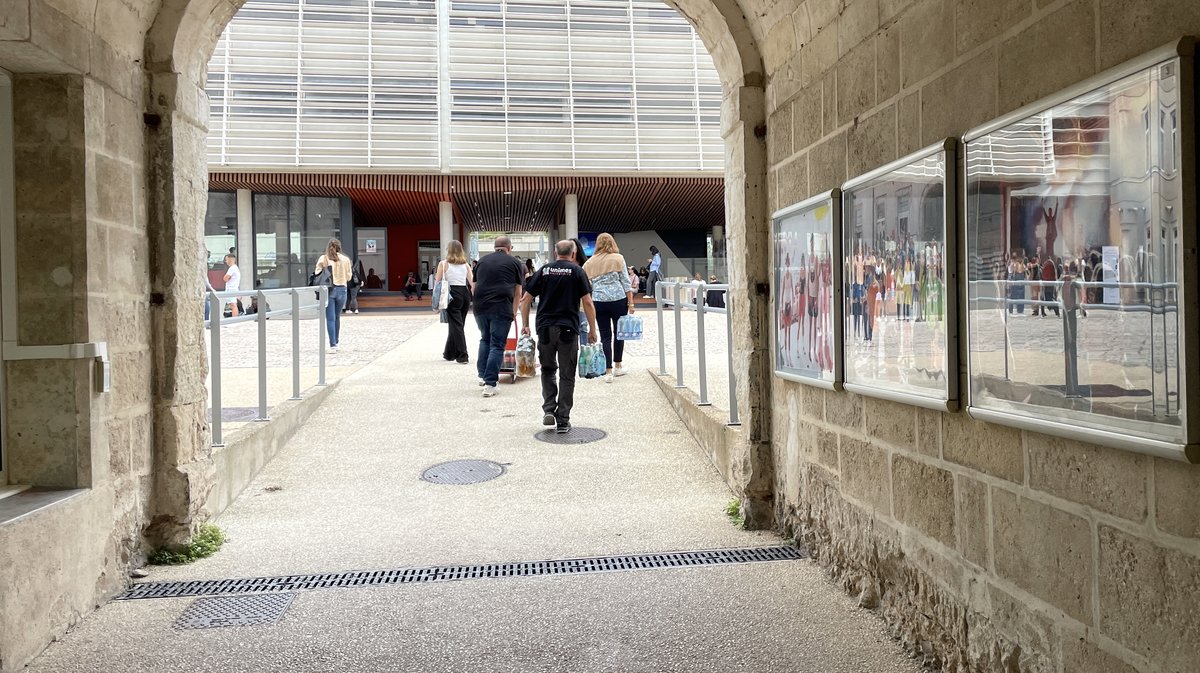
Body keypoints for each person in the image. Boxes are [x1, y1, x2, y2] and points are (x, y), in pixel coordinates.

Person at [520, 240, 599, 433]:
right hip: (568, 329)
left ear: (555, 253)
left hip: (545, 328)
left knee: (547, 370)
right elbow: (587, 303)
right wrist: (592, 329)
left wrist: (525, 326)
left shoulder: (545, 270)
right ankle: (563, 419)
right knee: (567, 373)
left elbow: (525, 300)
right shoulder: (577, 271)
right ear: (573, 254)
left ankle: (548, 409)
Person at [472, 235, 526, 396]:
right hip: (501, 307)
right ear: (509, 248)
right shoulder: (515, 263)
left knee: (485, 339)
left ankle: (483, 375)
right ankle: (490, 383)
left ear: (495, 247)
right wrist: (514, 312)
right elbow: (518, 292)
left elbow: (474, 288)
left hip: (480, 307)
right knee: (497, 344)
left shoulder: (482, 261)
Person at [582, 233, 634, 382]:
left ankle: (608, 371)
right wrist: (631, 303)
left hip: (599, 301)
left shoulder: (589, 263)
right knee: (619, 334)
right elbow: (625, 281)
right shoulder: (618, 258)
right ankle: (618, 366)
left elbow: (588, 286)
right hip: (618, 300)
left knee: (605, 336)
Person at [435, 242, 473, 364]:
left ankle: (463, 355)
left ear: (449, 250)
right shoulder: (466, 265)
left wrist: (436, 301)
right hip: (464, 293)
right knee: (458, 325)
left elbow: (437, 282)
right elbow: (472, 282)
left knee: (457, 325)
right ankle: (449, 353)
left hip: (451, 294)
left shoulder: (443, 264)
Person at [314, 238, 352, 354]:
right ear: (339, 247)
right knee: (337, 317)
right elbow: (349, 277)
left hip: (329, 290)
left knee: (330, 318)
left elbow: (317, 273)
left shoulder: (323, 258)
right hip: (342, 290)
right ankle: (336, 341)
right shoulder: (346, 260)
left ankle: (333, 344)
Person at [1061, 263, 1087, 396]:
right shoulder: (1071, 282)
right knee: (1071, 344)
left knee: (1071, 345)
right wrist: (1081, 305)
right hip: (1070, 311)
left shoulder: (1068, 282)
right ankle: (1071, 387)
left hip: (1069, 311)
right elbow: (1082, 292)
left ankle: (1071, 387)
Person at [222, 253, 242, 317]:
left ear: (231, 259)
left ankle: (234, 320)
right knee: (232, 305)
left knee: (233, 305)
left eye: (226, 260)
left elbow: (225, 278)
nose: (226, 261)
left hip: (231, 289)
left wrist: (228, 278)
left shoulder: (232, 268)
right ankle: (234, 319)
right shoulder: (235, 268)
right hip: (233, 288)